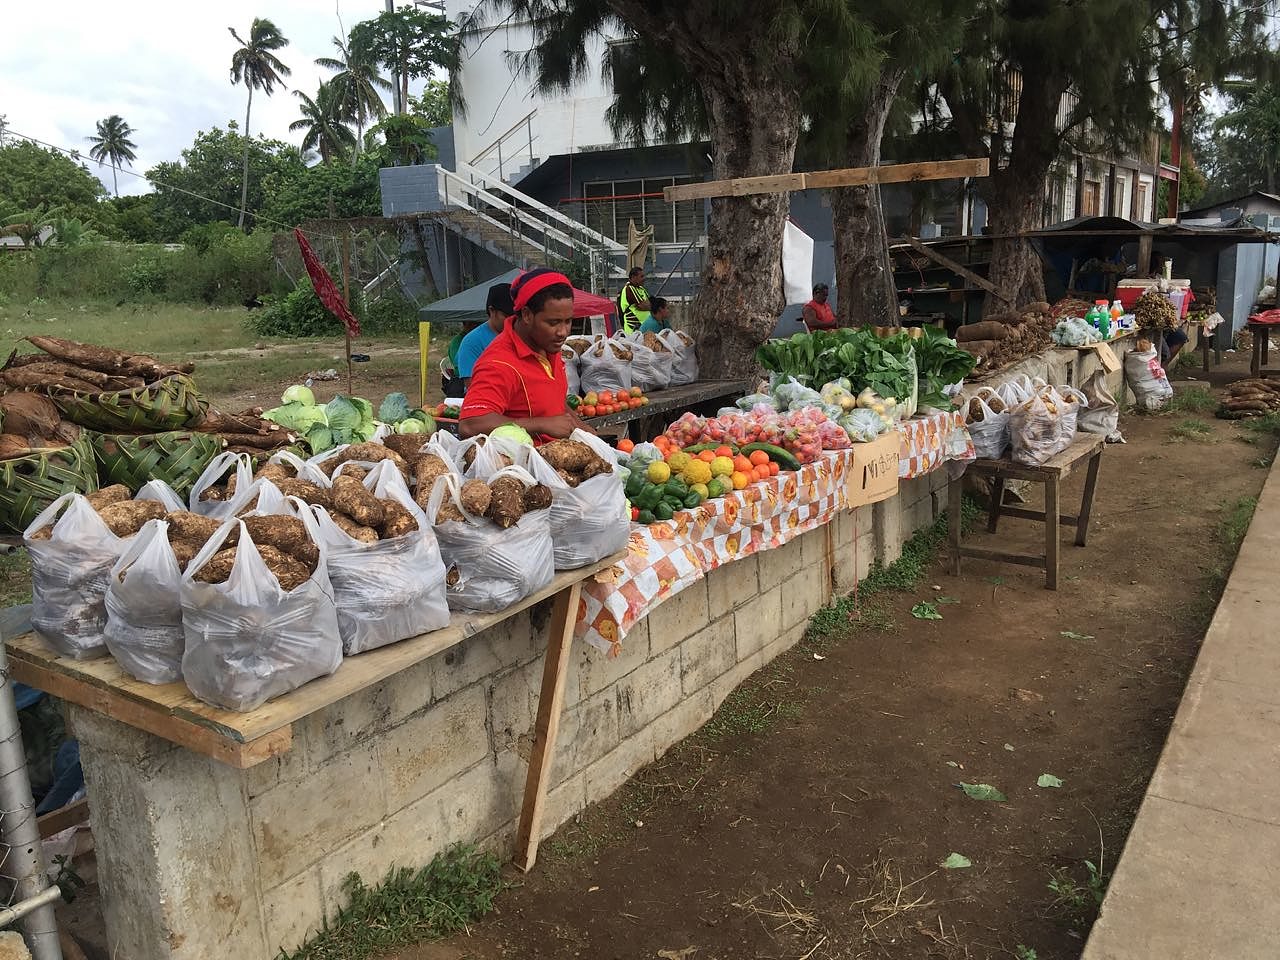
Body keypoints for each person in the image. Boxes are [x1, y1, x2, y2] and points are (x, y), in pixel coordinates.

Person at [460, 268, 595, 441]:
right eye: (553, 322)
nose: (563, 332)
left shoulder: (548, 346)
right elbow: (470, 424)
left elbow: (553, 402)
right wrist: (541, 424)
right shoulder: (499, 363)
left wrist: (583, 429)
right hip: (522, 465)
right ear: (526, 315)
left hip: (556, 461)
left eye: (568, 321)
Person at [456, 282, 516, 389]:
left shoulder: (521, 336)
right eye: (507, 316)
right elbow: (473, 387)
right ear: (492, 311)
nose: (512, 320)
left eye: (516, 316)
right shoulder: (472, 342)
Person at [618, 266, 652, 334]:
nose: (644, 279)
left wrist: (648, 305)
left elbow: (651, 302)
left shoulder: (641, 289)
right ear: (633, 277)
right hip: (634, 330)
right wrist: (649, 305)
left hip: (643, 328)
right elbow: (642, 306)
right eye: (641, 276)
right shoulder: (629, 289)